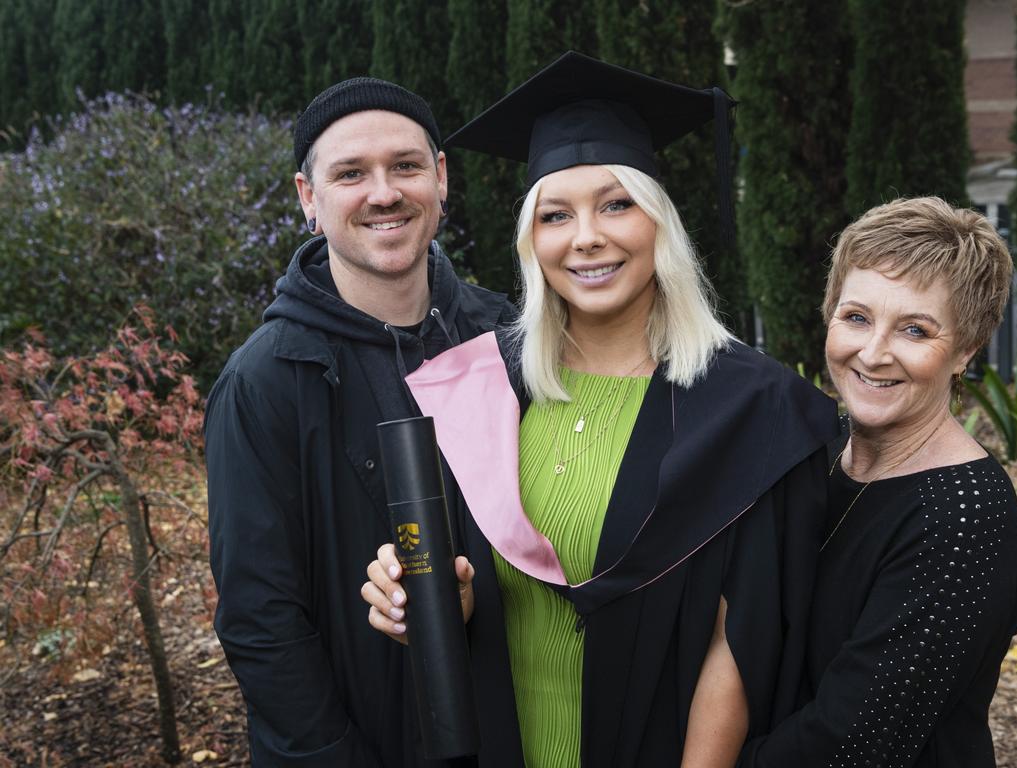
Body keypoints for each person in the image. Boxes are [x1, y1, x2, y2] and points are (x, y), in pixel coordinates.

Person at [363, 52, 840, 768]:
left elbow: (741, 638)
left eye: (616, 204)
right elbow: (467, 600)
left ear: (661, 224)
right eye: (556, 215)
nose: (586, 236)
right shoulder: (477, 391)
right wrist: (424, 605)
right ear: (533, 242)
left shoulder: (752, 407)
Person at [204, 77, 515, 766]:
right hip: (362, 741)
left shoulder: (509, 338)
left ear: (440, 179)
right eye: (350, 174)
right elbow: (262, 620)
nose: (383, 193)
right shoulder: (264, 382)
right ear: (308, 199)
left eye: (405, 166)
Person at [738, 197, 1017, 768]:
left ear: (965, 349)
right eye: (857, 317)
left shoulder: (965, 517)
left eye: (914, 330)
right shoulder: (810, 461)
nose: (873, 353)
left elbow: (853, 744)